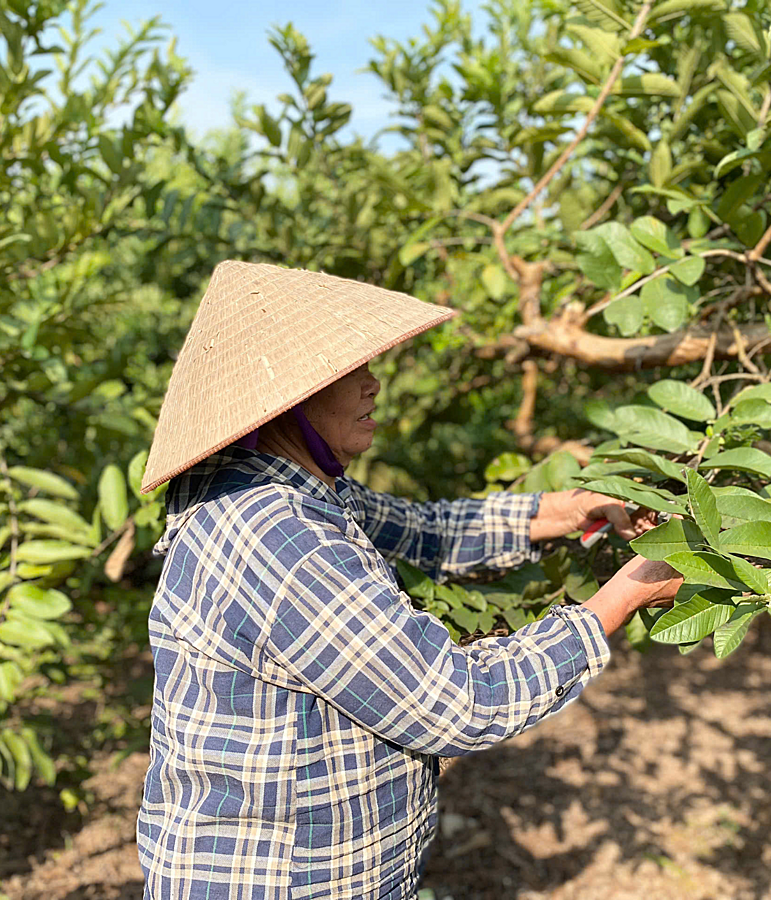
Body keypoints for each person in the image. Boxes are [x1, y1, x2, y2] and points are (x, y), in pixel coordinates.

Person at [135, 261, 683, 899]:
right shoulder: (279, 540)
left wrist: (571, 508)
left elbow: (425, 530)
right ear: (290, 398)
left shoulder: (276, 483)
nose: (374, 386)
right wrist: (627, 592)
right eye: (350, 373)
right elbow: (457, 701)